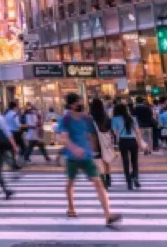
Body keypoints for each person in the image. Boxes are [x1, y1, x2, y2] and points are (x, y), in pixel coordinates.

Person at [60, 93, 121, 225]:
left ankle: (108, 215)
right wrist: (74, 148)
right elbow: (63, 138)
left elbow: (92, 135)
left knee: (98, 182)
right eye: (78, 102)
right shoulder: (66, 119)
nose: (81, 105)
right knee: (70, 182)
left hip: (87, 157)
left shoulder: (87, 119)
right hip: (72, 157)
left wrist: (94, 151)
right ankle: (71, 207)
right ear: (72, 105)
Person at [112, 103, 143, 190]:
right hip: (133, 141)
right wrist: (140, 143)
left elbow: (115, 132)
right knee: (134, 161)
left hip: (123, 141)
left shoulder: (115, 119)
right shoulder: (132, 118)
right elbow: (137, 131)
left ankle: (129, 182)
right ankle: (136, 178)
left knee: (125, 162)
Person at [89, 98, 114, 189]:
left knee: (99, 162)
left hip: (95, 141)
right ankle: (108, 178)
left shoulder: (91, 117)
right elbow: (110, 127)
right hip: (105, 140)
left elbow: (90, 132)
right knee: (107, 160)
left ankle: (103, 180)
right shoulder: (105, 116)